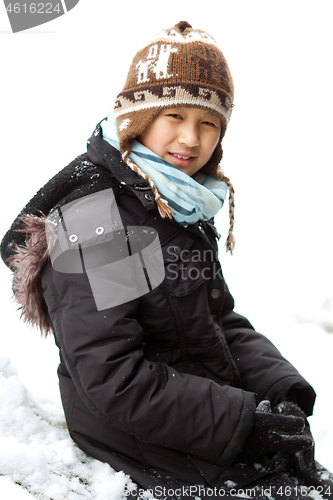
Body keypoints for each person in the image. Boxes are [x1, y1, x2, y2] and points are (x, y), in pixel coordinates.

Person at [1, 21, 332, 500]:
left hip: (197, 410)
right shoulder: (100, 221)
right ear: (138, 118)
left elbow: (217, 319)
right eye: (173, 115)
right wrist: (244, 425)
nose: (191, 139)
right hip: (138, 432)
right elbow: (115, 377)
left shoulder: (177, 202)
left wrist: (280, 388)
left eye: (208, 123)